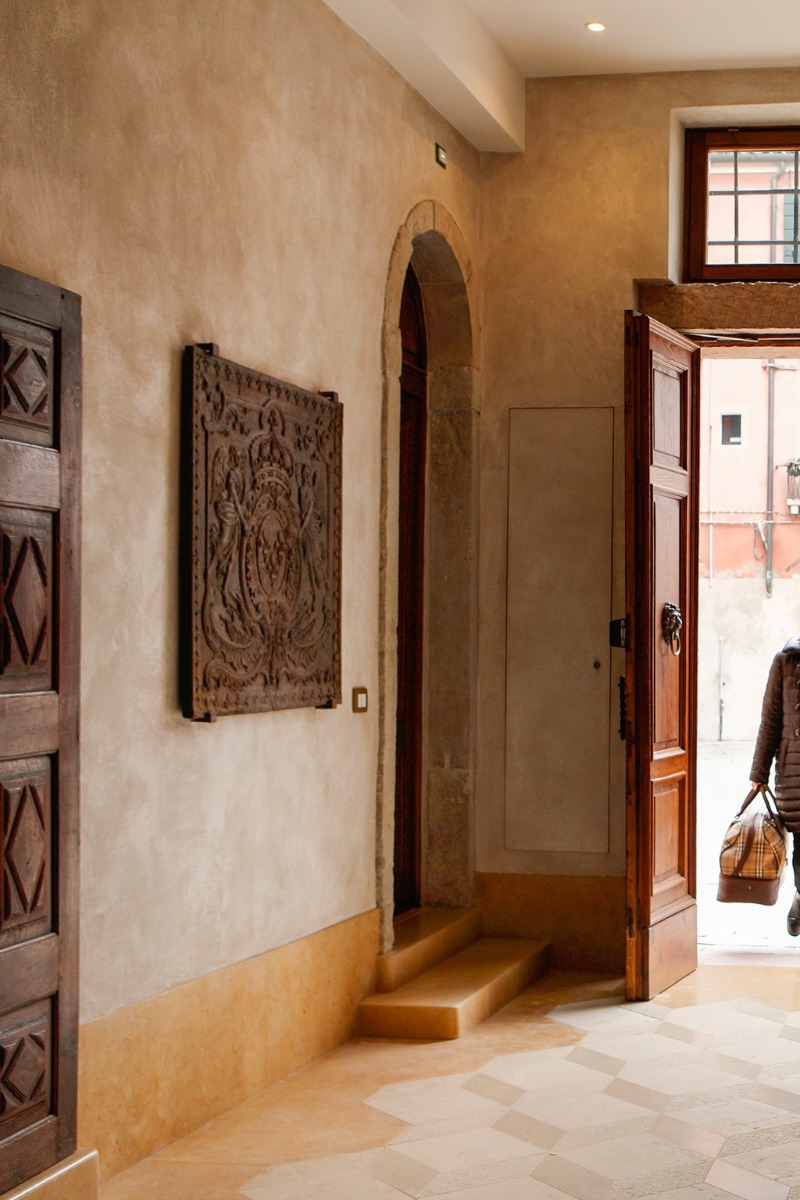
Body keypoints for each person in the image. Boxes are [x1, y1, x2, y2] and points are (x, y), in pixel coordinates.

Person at [751, 635, 800, 934]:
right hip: (796, 771)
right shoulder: (786, 660)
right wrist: (759, 771)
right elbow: (770, 718)